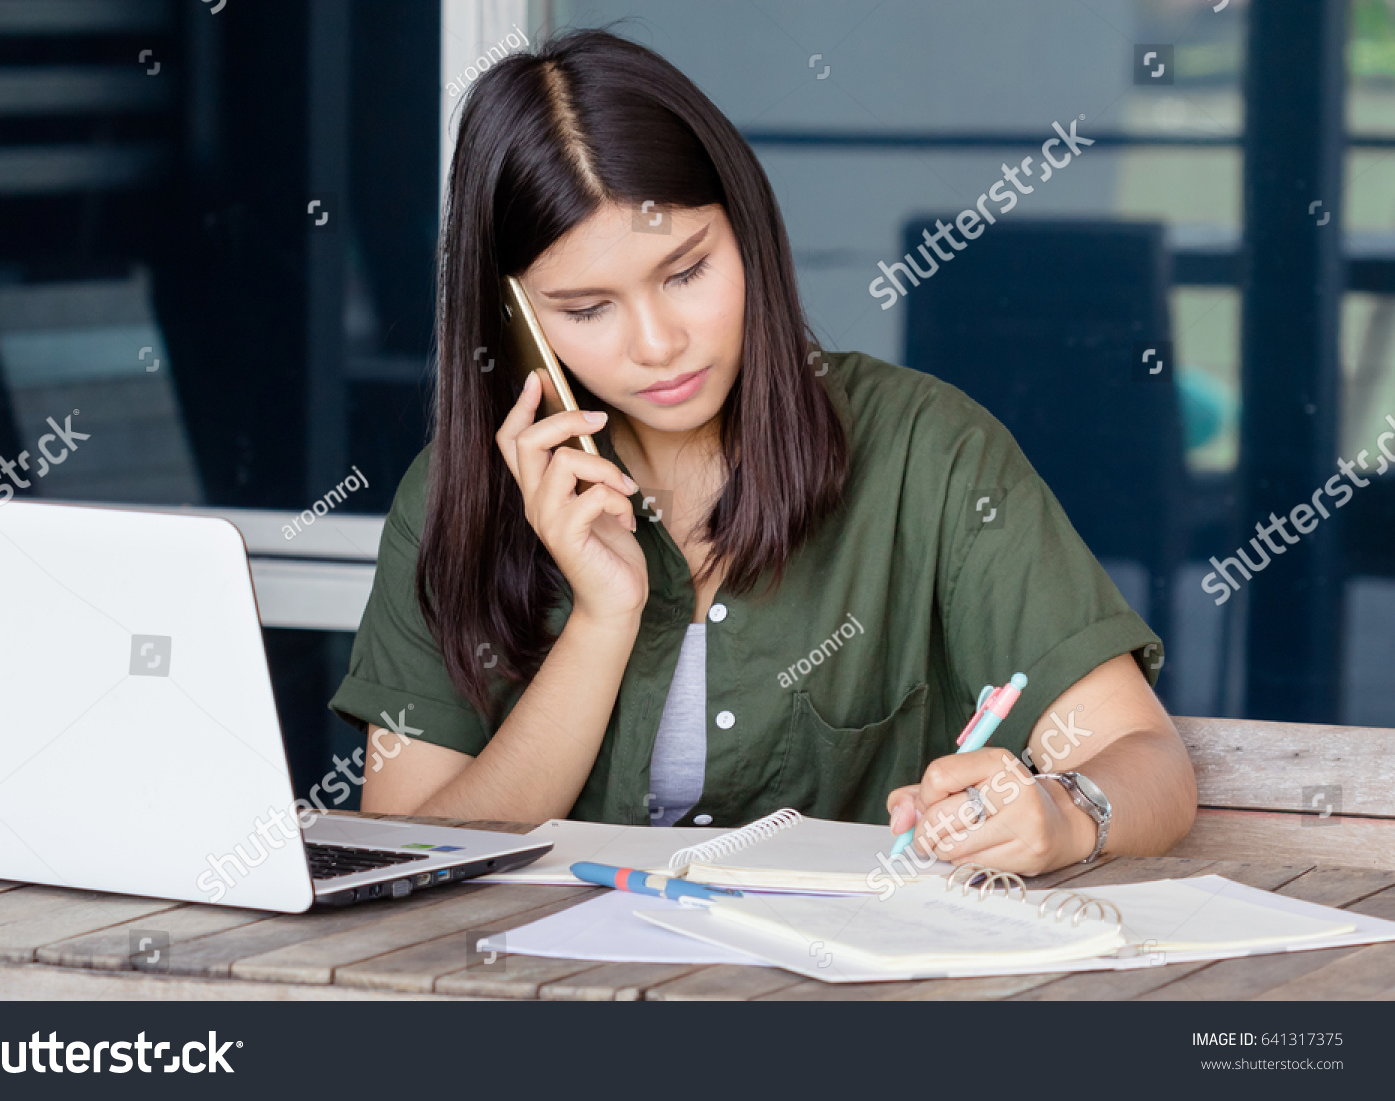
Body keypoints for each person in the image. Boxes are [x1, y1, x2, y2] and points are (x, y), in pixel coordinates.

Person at [328, 27, 1196, 875]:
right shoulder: (457, 496)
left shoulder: (930, 455)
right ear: (515, 324)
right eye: (586, 310)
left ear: (748, 233)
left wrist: (1063, 813)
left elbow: (1146, 755)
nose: (659, 342)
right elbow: (405, 855)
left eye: (686, 272)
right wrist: (601, 619)